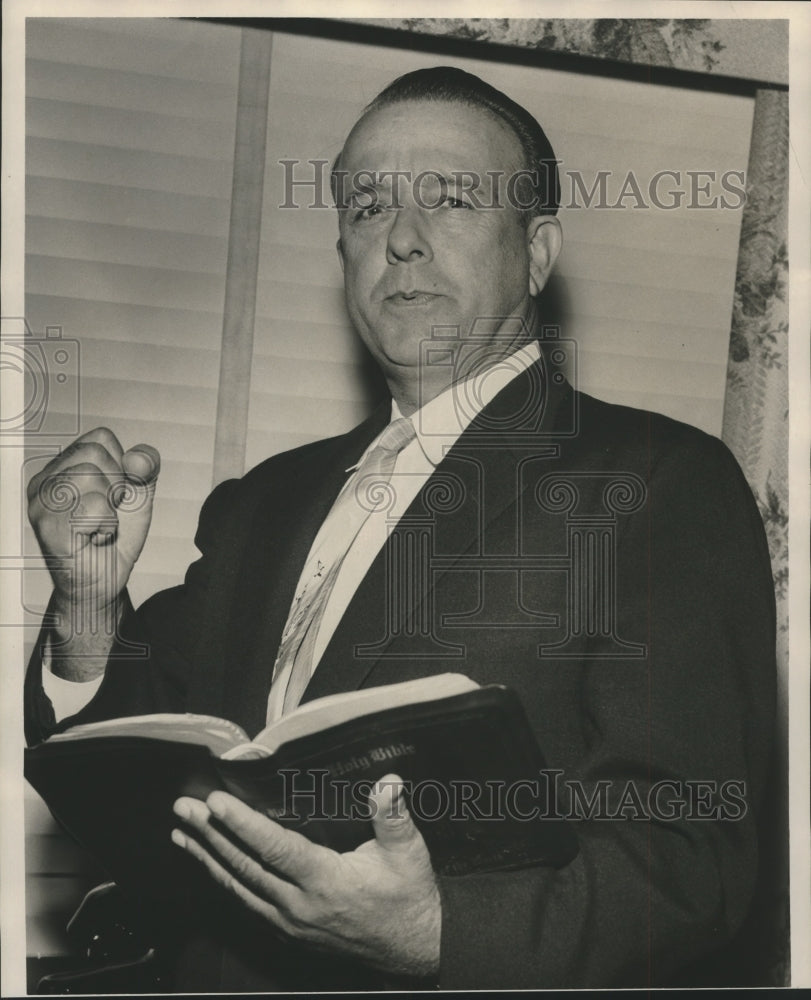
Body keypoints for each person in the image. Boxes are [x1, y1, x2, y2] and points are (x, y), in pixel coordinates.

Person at [24, 67, 776, 991]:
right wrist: (88, 602)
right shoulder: (266, 501)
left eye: (452, 199)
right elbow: (128, 795)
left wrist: (436, 932)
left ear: (536, 252)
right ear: (343, 250)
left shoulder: (655, 481)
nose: (404, 242)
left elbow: (692, 853)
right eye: (369, 208)